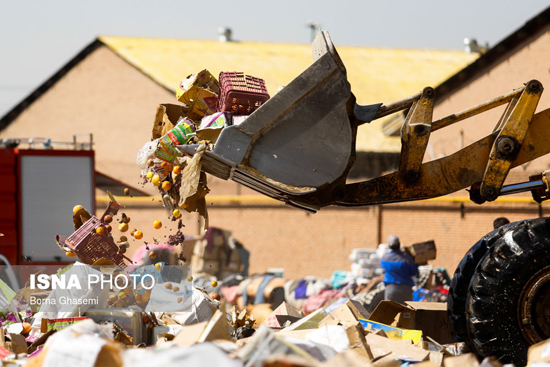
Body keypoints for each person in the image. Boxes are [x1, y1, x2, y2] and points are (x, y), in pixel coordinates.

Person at [380, 235, 418, 304]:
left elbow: (383, 268)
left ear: (389, 246)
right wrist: (413, 259)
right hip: (406, 290)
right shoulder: (406, 259)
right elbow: (414, 272)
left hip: (391, 289)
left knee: (390, 311)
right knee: (406, 313)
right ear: (399, 244)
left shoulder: (385, 258)